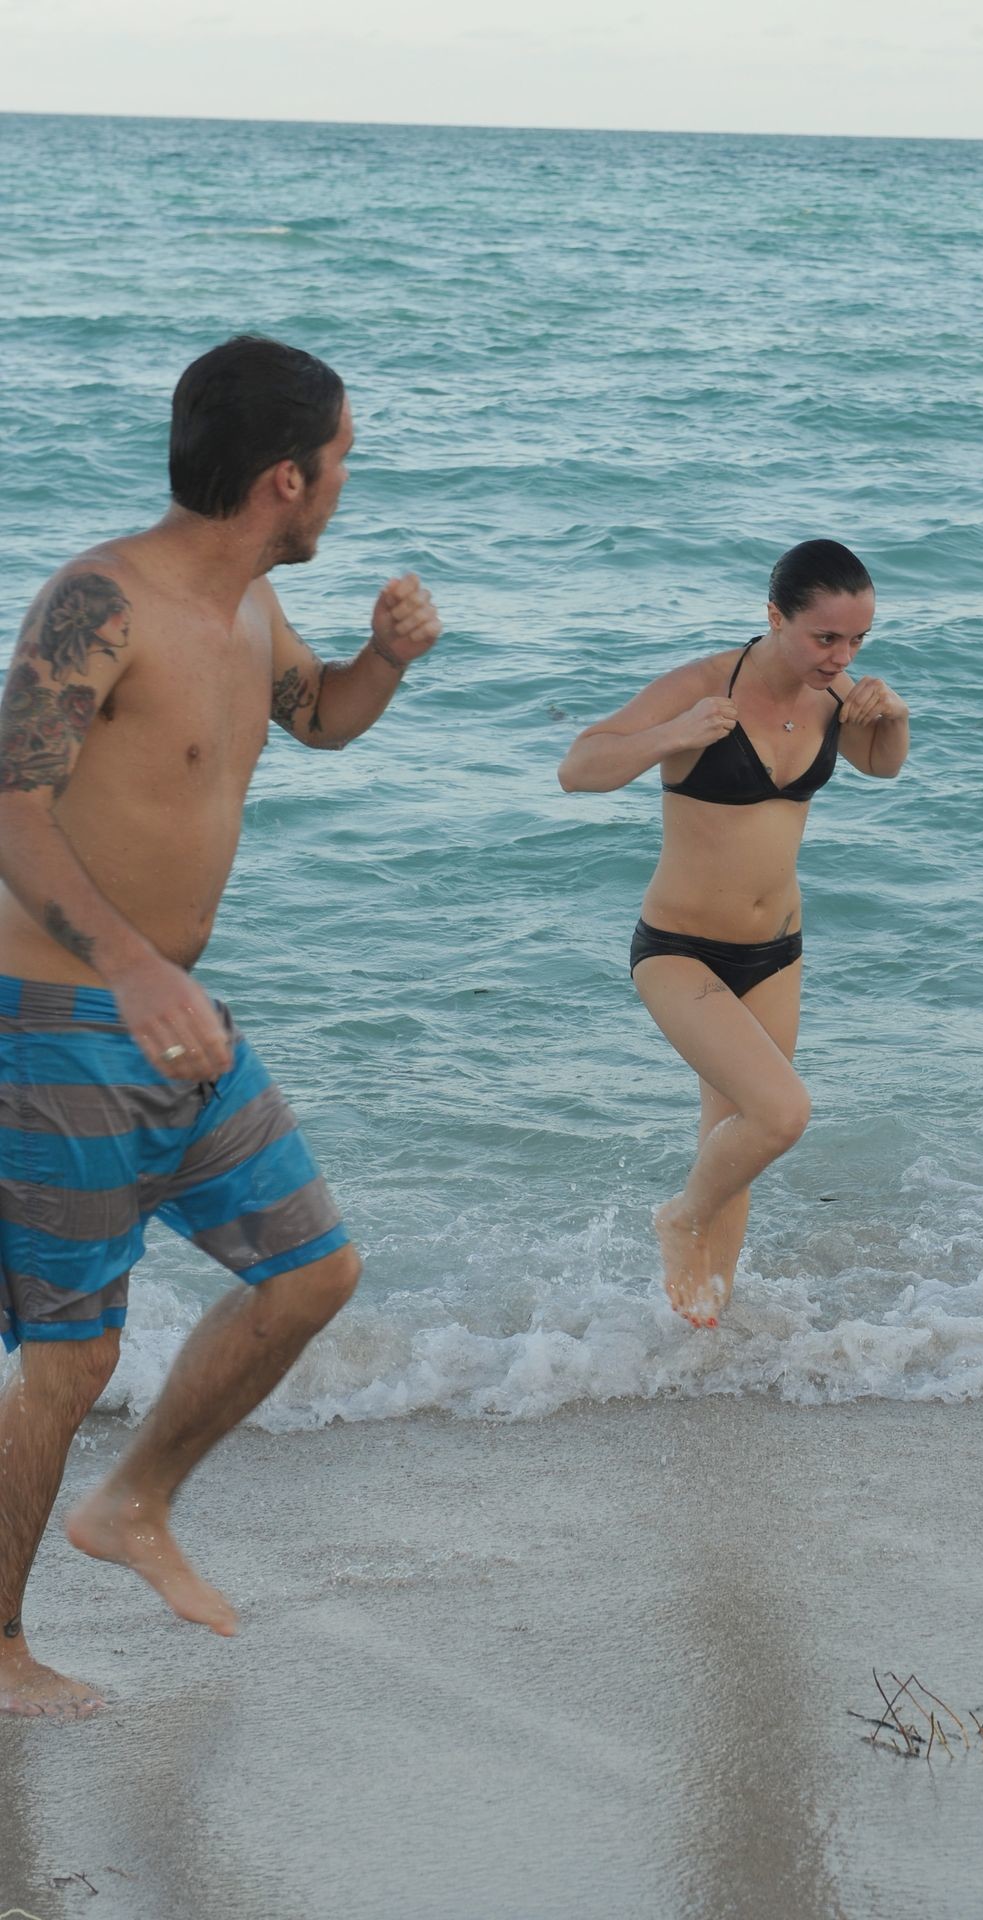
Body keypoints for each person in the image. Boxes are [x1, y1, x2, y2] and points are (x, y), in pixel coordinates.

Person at [0, 335, 441, 1719]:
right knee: (70, 1354)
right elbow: (10, 806)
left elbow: (321, 719)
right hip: (61, 1019)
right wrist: (132, 967)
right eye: (342, 460)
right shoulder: (100, 603)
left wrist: (384, 660)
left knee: (312, 1272)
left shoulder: (251, 606)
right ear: (283, 478)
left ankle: (133, 1503)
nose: (347, 483)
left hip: (174, 1024)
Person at [558, 540, 908, 1331]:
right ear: (774, 616)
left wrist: (894, 716)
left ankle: (707, 1332)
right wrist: (673, 734)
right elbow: (578, 768)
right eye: (825, 638)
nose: (841, 657)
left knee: (736, 1139)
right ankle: (679, 1217)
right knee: (779, 1114)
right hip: (680, 950)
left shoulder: (833, 693)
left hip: (776, 954)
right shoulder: (701, 687)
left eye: (857, 640)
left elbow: (881, 765)